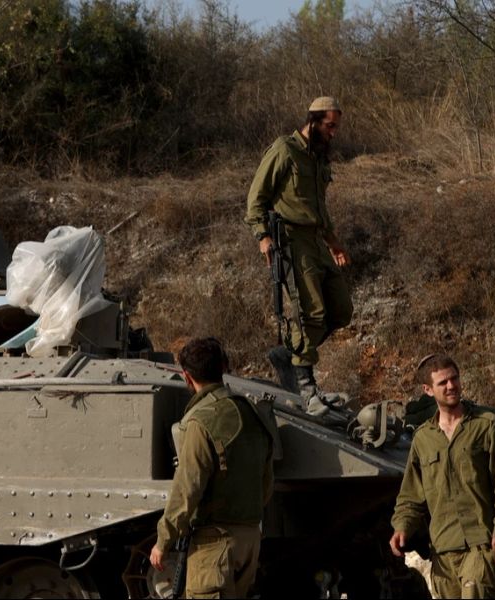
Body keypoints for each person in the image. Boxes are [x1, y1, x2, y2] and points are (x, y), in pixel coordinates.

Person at [245, 96, 353, 416]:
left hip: (316, 240)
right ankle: (307, 389)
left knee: (341, 310)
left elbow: (320, 208)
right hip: (291, 239)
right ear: (314, 120)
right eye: (329, 125)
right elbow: (256, 198)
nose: (334, 132)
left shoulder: (319, 158)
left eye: (336, 126)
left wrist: (334, 243)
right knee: (311, 312)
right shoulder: (284, 150)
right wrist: (263, 237)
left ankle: (288, 353)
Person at [150, 337, 274, 598]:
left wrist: (163, 541)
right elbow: (266, 481)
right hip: (250, 540)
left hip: (215, 543)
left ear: (186, 376)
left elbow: (187, 489)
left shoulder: (200, 421)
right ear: (223, 367)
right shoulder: (251, 413)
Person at [389, 353, 495, 599]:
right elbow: (410, 496)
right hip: (442, 551)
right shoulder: (423, 439)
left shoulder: (487, 426)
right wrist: (402, 527)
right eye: (443, 383)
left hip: (480, 546)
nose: (451, 386)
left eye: (454, 379)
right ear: (428, 390)